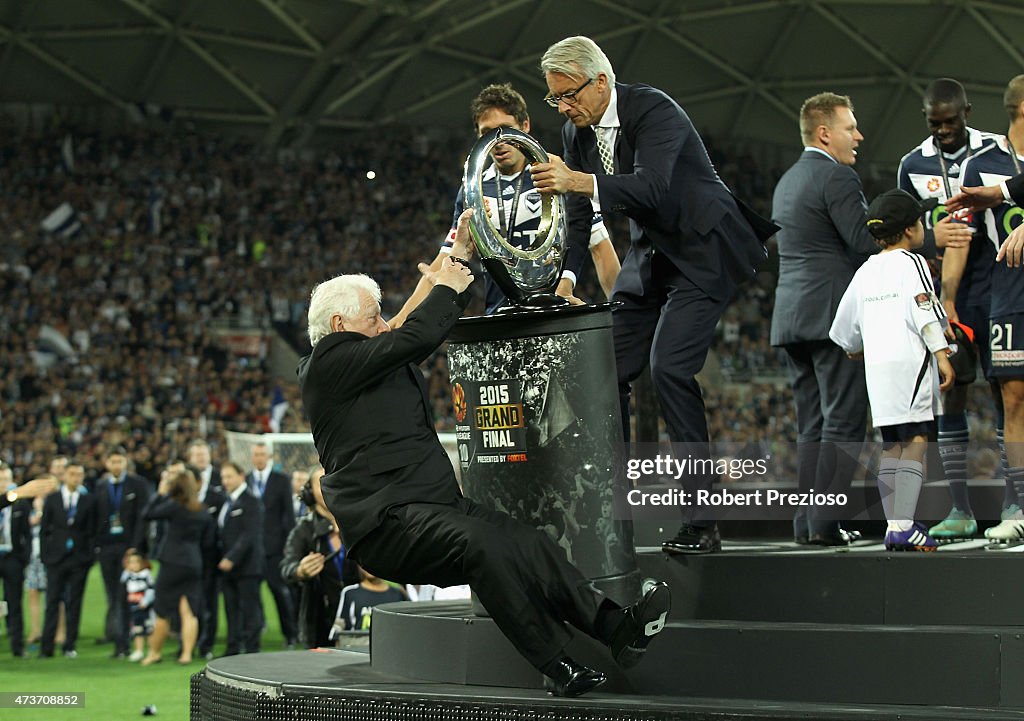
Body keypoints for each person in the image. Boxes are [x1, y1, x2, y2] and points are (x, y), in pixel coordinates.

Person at [297, 208, 670, 698]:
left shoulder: (361, 359)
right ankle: (557, 663)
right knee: (483, 547)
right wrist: (449, 286)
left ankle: (612, 627)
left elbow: (405, 324)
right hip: (388, 523)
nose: (384, 324)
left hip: (432, 508)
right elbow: (415, 333)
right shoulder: (326, 366)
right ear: (340, 324)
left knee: (525, 542)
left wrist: (456, 257)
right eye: (374, 317)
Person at [531, 36, 775, 555]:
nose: (564, 107)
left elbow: (653, 188)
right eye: (555, 99)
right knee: (605, 368)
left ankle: (702, 519)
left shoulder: (653, 110)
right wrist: (567, 279)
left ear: (601, 82)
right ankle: (610, 497)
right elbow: (579, 220)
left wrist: (578, 181)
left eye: (569, 95)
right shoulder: (574, 133)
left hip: (704, 246)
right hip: (653, 252)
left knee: (669, 367)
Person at [391, 82, 619, 327]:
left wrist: (625, 315)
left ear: (525, 126)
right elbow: (447, 260)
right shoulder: (473, 190)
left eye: (505, 129)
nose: (498, 141)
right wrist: (398, 321)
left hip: (557, 315)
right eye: (487, 132)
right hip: (500, 319)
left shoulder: (557, 175)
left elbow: (599, 247)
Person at [769, 92, 878, 546]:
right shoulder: (837, 177)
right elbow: (864, 243)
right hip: (833, 317)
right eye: (851, 127)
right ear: (824, 133)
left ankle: (808, 523)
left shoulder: (788, 181)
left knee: (811, 424)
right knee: (845, 421)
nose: (859, 135)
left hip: (792, 317)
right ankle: (826, 522)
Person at [898, 78, 1001, 540]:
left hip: (996, 286)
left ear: (968, 112)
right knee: (952, 391)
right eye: (933, 122)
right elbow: (904, 232)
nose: (942, 130)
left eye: (950, 121)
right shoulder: (912, 164)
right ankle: (959, 508)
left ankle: (1017, 505)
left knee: (1009, 393)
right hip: (943, 293)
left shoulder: (997, 153)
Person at [830, 189, 955, 550]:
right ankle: (903, 524)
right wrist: (943, 355)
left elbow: (842, 328)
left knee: (891, 446)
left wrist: (856, 348)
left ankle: (893, 525)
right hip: (908, 363)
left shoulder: (865, 269)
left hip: (878, 370)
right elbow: (924, 313)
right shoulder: (912, 263)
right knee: (916, 440)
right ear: (909, 230)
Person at [948, 75, 1024, 541]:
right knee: (1014, 399)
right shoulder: (982, 164)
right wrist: (949, 297)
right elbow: (960, 236)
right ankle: (1019, 507)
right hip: (1010, 289)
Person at [140, 465, 214, 665]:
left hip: (172, 561)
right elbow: (209, 541)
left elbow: (147, 514)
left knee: (162, 610)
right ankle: (187, 654)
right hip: (193, 563)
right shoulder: (203, 511)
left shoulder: (174, 506)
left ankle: (154, 653)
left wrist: (160, 493)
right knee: (189, 611)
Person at [280, 467, 359, 648]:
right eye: (322, 482)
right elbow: (286, 568)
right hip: (318, 621)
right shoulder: (303, 530)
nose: (329, 487)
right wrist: (300, 570)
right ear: (309, 492)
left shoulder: (356, 524)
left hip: (357, 616)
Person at [93, 446, 152, 657]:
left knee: (132, 595)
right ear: (107, 464)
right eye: (112, 461)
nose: (116, 465)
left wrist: (135, 548)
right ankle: (119, 640)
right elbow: (95, 518)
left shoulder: (138, 484)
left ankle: (129, 642)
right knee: (113, 594)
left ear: (125, 462)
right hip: (107, 548)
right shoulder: (100, 486)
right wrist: (97, 545)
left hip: (129, 549)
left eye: (119, 461)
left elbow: (142, 518)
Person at [39, 463, 97, 658]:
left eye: (79, 474)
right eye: (72, 474)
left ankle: (69, 645)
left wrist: (88, 557)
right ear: (64, 476)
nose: (76, 478)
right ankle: (47, 647)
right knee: (52, 601)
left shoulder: (88, 500)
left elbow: (92, 531)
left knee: (75, 602)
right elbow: (44, 530)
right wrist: (46, 556)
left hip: (79, 559)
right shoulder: (53, 499)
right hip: (56, 559)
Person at [246, 442, 298, 647]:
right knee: (252, 594)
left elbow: (289, 515)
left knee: (279, 592)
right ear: (252, 457)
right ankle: (255, 632)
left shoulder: (281, 480)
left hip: (275, 548)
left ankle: (291, 634)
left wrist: (289, 545)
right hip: (252, 549)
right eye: (256, 454)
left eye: (262, 454)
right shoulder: (248, 480)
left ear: (269, 457)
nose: (259, 458)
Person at [0, 465, 51, 658]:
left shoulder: (20, 504)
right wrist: (16, 494)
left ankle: (17, 645)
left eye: (6, 479)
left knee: (14, 602)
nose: (3, 483)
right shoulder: (14, 498)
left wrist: (23, 558)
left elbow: (26, 535)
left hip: (12, 558)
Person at [217, 461, 264, 656]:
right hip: (229, 567)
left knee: (249, 608)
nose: (225, 481)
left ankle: (252, 648)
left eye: (229, 476)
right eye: (223, 477)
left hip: (247, 566)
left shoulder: (251, 501)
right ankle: (233, 647)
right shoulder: (226, 501)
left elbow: (249, 535)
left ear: (241, 476)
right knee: (231, 608)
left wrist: (232, 557)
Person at [187, 441, 226, 660]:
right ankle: (191, 641)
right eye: (197, 454)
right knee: (192, 601)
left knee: (210, 601)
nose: (201, 458)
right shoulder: (184, 488)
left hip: (211, 556)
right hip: (190, 556)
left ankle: (207, 643)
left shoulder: (220, 482)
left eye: (204, 454)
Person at [333, 566, 406, 634]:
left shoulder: (397, 594)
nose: (369, 566)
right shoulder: (350, 593)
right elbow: (339, 630)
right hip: (356, 646)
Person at [120, 549, 155, 662]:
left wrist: (146, 601)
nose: (133, 565)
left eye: (136, 562)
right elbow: (123, 581)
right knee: (137, 629)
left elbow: (151, 589)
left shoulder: (146, 575)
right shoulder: (128, 575)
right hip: (134, 607)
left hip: (144, 607)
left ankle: (152, 650)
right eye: (131, 562)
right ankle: (139, 650)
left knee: (149, 630)